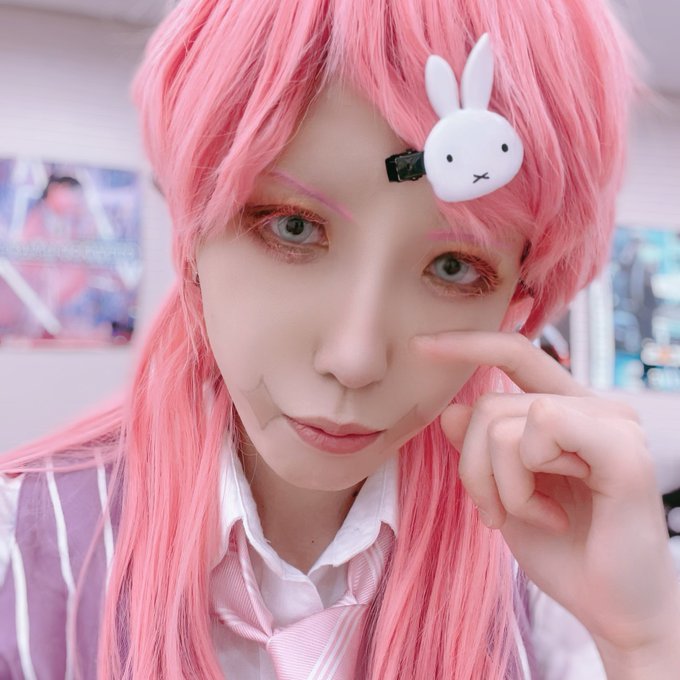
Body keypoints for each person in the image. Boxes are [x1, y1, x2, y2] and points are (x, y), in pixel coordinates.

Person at [1, 0, 678, 678]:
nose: (354, 360)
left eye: (454, 268)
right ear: (193, 230)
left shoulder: (550, 576)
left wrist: (640, 643)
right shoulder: (21, 548)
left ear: (515, 307)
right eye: (292, 227)